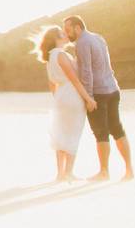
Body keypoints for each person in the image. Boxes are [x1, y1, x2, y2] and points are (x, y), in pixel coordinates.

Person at [63, 15, 135, 181]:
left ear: (77, 27)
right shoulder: (98, 38)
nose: (67, 34)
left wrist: (88, 97)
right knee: (117, 129)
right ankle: (129, 170)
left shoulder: (82, 43)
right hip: (113, 89)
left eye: (68, 30)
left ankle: (104, 172)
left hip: (99, 94)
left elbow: (86, 72)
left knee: (101, 133)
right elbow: (107, 65)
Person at [35, 26, 97, 182]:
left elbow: (51, 84)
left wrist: (58, 98)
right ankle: (69, 172)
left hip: (61, 96)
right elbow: (75, 80)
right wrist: (88, 99)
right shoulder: (61, 55)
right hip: (72, 95)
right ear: (56, 39)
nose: (66, 35)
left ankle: (60, 174)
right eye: (62, 34)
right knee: (73, 133)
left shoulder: (49, 57)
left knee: (61, 135)